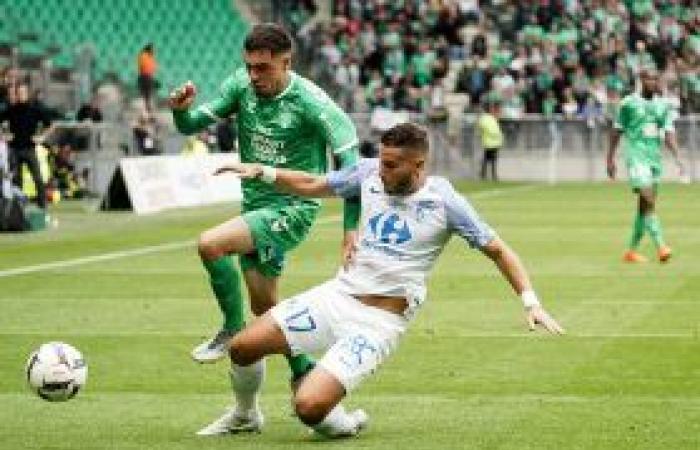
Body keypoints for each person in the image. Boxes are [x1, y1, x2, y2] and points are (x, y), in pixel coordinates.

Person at [202, 122, 564, 438]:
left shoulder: (445, 201)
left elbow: (498, 250)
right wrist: (263, 171)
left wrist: (531, 302)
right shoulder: (368, 174)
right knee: (242, 346)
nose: (382, 170)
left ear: (418, 165)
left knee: (309, 408)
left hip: (378, 324)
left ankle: (347, 422)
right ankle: (245, 415)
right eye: (380, 161)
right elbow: (314, 183)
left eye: (391, 165)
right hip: (337, 297)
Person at [168, 23, 361, 431]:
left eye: (263, 68)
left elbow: (353, 167)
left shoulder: (312, 102)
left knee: (211, 244)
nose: (254, 76)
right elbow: (190, 126)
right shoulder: (242, 85)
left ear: (286, 62)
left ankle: (230, 330)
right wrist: (180, 109)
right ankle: (275, 394)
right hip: (255, 205)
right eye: (249, 67)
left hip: (293, 207)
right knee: (267, 311)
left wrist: (350, 228)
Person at [606, 69, 684, 263]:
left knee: (645, 207)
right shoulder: (628, 103)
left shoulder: (663, 106)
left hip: (654, 159)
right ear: (641, 80)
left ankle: (631, 251)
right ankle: (661, 246)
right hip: (636, 157)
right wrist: (610, 158)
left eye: (656, 79)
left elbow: (668, 131)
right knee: (647, 199)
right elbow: (617, 130)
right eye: (650, 78)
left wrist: (677, 156)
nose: (654, 82)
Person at [0, 83, 53, 209]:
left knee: (38, 178)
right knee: (17, 180)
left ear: (27, 94)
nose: (20, 95)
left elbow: (51, 125)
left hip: (29, 149)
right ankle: (19, 206)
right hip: (14, 149)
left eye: (23, 92)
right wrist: (4, 135)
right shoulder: (11, 109)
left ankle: (42, 205)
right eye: (18, 93)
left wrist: (42, 137)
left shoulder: (35, 109)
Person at [477, 100, 503, 181]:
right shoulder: (487, 119)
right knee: (490, 160)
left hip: (492, 142)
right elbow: (492, 130)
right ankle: (489, 175)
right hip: (491, 142)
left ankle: (485, 174)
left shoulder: (488, 118)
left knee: (489, 160)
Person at [137, 43, 158, 112]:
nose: (154, 51)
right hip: (145, 76)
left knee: (148, 94)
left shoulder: (149, 57)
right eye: (152, 49)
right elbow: (144, 66)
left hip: (148, 76)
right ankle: (147, 108)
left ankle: (148, 108)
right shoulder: (144, 56)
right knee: (147, 93)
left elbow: (154, 67)